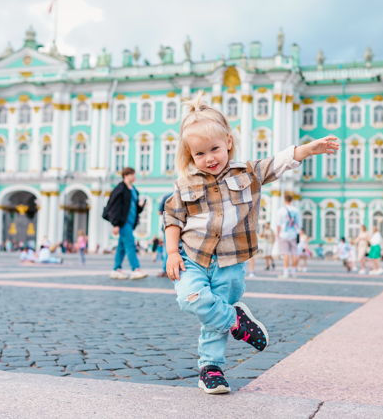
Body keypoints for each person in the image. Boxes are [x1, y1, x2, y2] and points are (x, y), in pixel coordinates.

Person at [163, 91, 339, 394]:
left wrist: (308, 150)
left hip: (231, 262)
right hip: (193, 257)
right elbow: (172, 218)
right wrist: (170, 253)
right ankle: (236, 320)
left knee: (212, 315)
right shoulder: (185, 184)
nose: (210, 159)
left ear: (228, 142)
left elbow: (278, 163)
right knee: (189, 297)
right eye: (200, 154)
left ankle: (211, 368)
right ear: (190, 156)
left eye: (215, 149)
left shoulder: (247, 172)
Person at [102, 167, 148, 280]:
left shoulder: (134, 190)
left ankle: (116, 269)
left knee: (121, 247)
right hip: (123, 223)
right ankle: (135, 269)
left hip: (131, 222)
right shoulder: (120, 189)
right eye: (133, 174)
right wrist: (116, 224)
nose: (135, 177)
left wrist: (141, 206)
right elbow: (114, 207)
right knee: (130, 244)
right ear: (126, 175)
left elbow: (135, 209)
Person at [277, 193, 301, 278]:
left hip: (284, 234)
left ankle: (286, 273)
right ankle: (294, 272)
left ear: (284, 200)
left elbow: (278, 225)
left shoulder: (281, 210)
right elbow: (299, 224)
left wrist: (278, 235)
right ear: (292, 200)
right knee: (295, 253)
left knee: (286, 254)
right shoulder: (296, 210)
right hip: (294, 234)